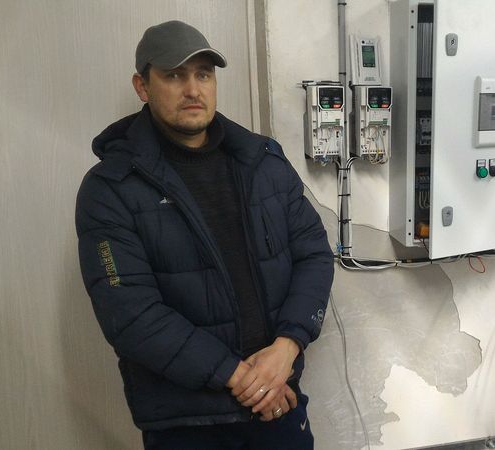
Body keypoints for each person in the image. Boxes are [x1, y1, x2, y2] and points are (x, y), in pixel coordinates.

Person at [75, 20, 334, 449]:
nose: (193, 89)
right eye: (174, 75)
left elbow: (315, 256)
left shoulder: (263, 162)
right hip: (187, 422)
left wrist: (287, 347)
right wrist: (247, 380)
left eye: (203, 74)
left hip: (278, 402)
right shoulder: (110, 188)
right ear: (142, 86)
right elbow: (131, 315)